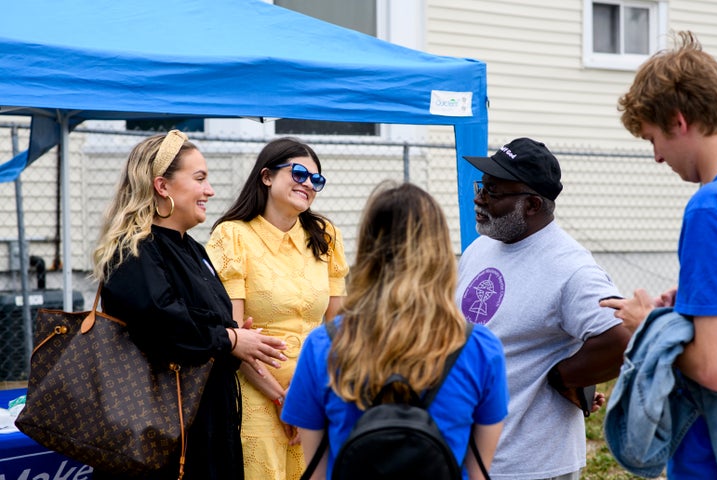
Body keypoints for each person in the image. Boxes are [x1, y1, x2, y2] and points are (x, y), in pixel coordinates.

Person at [91, 130, 287, 480]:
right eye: (199, 179)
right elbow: (163, 323)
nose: (209, 191)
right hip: (161, 437)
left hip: (206, 424)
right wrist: (229, 339)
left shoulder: (194, 250)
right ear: (162, 186)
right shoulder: (134, 250)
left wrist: (236, 335)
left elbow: (199, 321)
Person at [281, 181, 508, 480]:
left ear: (368, 250)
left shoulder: (324, 345)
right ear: (440, 253)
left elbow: (316, 471)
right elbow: (478, 472)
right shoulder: (479, 348)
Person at [456, 137, 632, 480]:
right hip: (469, 455)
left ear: (533, 204)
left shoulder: (572, 268)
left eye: (494, 191)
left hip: (532, 465)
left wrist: (565, 377)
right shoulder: (481, 248)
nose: (478, 198)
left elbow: (622, 336)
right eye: (482, 186)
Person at [601, 30, 717, 479]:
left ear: (679, 120)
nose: (656, 156)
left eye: (653, 138)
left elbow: (712, 367)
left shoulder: (709, 209)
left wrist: (643, 326)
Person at [206, 137, 349, 480]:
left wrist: (315, 400)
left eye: (317, 180)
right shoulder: (232, 236)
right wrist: (283, 400)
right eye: (299, 173)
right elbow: (235, 338)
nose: (308, 185)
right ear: (267, 176)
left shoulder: (325, 235)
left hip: (314, 395)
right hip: (255, 396)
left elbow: (337, 331)